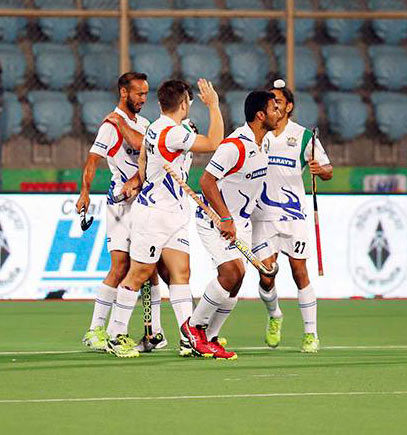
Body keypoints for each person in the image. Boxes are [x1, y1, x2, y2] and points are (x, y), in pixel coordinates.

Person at [105, 78, 224, 358]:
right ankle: (114, 335)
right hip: (155, 215)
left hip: (175, 213)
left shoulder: (158, 128)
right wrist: (214, 106)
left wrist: (140, 181)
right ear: (183, 104)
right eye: (189, 102)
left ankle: (188, 336)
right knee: (140, 273)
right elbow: (215, 142)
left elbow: (146, 163)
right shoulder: (171, 132)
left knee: (181, 273)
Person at [181, 90, 281, 360]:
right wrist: (225, 217)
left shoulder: (265, 144)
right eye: (274, 108)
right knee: (231, 272)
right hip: (215, 219)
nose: (279, 113)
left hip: (241, 222)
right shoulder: (235, 145)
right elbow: (206, 181)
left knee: (236, 281)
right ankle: (193, 328)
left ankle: (209, 338)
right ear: (260, 115)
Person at [77, 72, 167, 352]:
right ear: (124, 92)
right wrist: (85, 192)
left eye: (146, 93)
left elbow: (148, 157)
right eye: (139, 93)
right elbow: (93, 161)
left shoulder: (145, 124)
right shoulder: (110, 125)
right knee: (120, 267)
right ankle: (95, 331)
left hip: (144, 203)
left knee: (148, 269)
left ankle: (155, 333)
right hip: (120, 206)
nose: (143, 98)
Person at [251, 79, 332, 353]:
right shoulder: (256, 134)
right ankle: (274, 315)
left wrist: (320, 170)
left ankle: (311, 334)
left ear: (289, 106)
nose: (274, 104)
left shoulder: (304, 137)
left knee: (300, 272)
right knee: (266, 275)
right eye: (271, 101)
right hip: (262, 216)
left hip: (293, 216)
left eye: (279, 101)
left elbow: (328, 170)